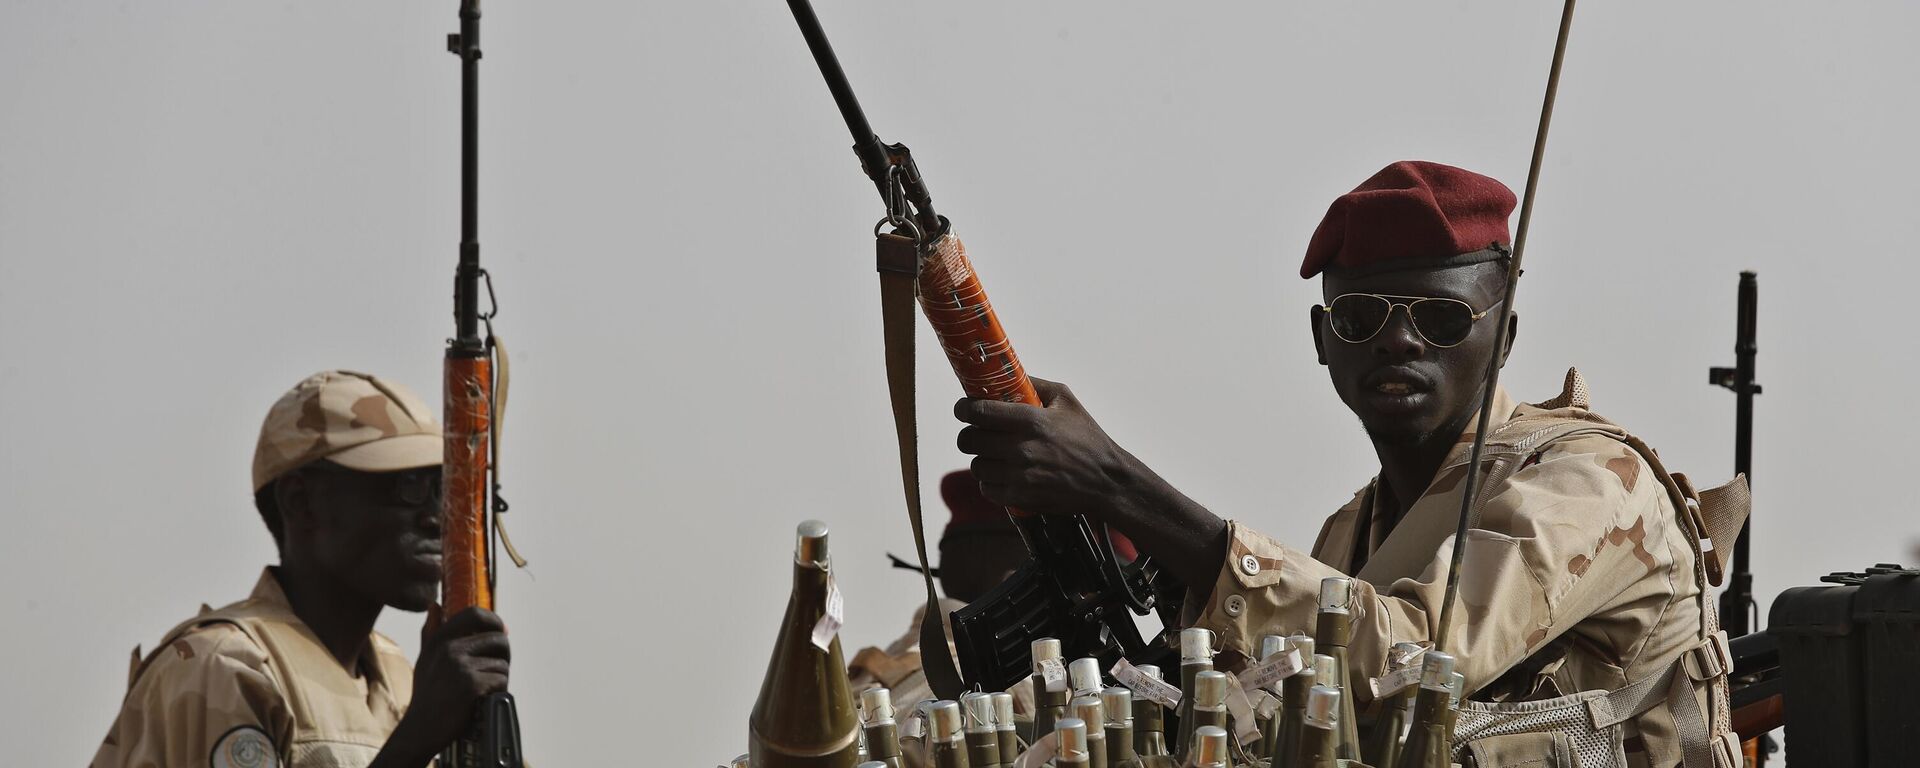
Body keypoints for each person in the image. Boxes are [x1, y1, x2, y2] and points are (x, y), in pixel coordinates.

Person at [952, 161, 1738, 767]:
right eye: (1361, 316)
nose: (1399, 341)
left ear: (1504, 337)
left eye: (1440, 315)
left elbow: (1419, 661)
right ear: (1322, 340)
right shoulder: (1350, 535)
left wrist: (1118, 485)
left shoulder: (1587, 483)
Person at [92, 370, 511, 768]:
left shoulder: (401, 679)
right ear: (301, 501)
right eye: (409, 488)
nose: (437, 517)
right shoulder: (225, 667)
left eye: (443, 489)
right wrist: (418, 739)